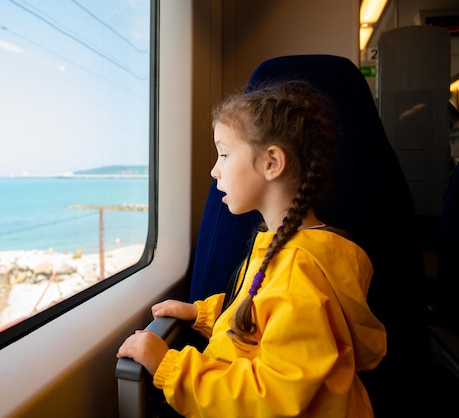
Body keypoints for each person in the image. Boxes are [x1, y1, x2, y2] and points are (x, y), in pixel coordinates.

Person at [116, 80, 387, 417]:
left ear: (272, 162)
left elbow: (271, 397)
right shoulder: (293, 248)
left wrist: (171, 367)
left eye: (225, 154)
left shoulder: (297, 273)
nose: (214, 170)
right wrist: (204, 313)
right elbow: (264, 318)